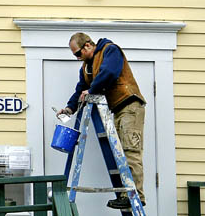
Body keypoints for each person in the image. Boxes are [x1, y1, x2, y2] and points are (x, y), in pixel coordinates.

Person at [57, 32, 146, 210]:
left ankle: (135, 195)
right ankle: (125, 194)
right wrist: (69, 108)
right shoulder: (85, 67)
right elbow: (80, 89)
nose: (77, 58)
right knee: (120, 153)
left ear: (88, 46)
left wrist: (92, 90)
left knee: (130, 151)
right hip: (118, 109)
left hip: (130, 105)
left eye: (78, 54)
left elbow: (109, 73)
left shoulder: (110, 50)